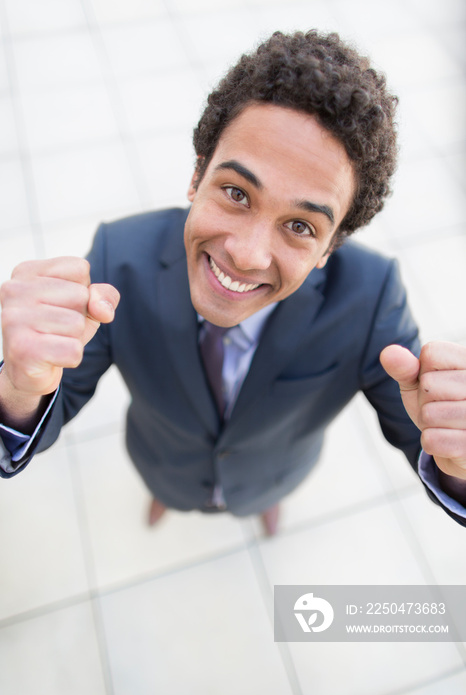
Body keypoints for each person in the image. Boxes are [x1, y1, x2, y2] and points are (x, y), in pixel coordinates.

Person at [1, 30, 465, 534]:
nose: (245, 255)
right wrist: (17, 387)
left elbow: (427, 439)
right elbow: (54, 398)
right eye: (236, 193)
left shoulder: (372, 297)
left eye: (300, 226)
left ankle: (260, 508)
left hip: (273, 478)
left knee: (263, 502)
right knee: (168, 496)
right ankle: (168, 499)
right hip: (164, 468)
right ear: (197, 176)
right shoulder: (120, 257)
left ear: (329, 248)